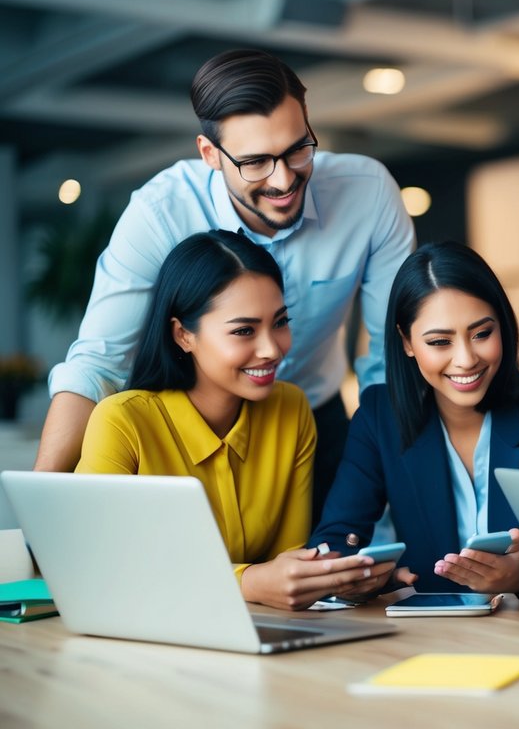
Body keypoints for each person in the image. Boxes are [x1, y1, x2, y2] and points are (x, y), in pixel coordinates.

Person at [37, 48, 417, 518]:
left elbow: (390, 362)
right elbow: (98, 363)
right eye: (255, 162)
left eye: (298, 148)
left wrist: (391, 495)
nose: (283, 180)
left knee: (328, 574)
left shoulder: (367, 192)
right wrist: (43, 504)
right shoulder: (160, 213)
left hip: (313, 420)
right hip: (191, 429)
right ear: (210, 154)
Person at [76, 231, 390, 610]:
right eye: (244, 330)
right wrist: (246, 583)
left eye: (280, 322)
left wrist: (339, 579)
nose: (272, 349)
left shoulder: (290, 410)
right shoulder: (120, 422)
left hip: (258, 637)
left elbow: (284, 564)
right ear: (183, 335)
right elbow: (95, 570)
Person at [308, 241, 519, 597]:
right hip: (434, 633)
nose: (465, 359)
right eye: (440, 342)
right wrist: (363, 578)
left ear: (502, 327)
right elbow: (337, 537)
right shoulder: (379, 416)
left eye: (481, 334)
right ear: (407, 342)